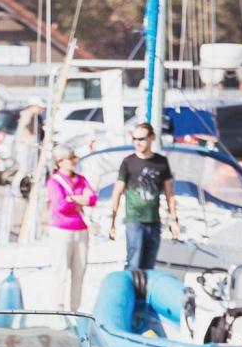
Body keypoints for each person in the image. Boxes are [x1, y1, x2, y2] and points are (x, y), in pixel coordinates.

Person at [108, 122, 179, 271]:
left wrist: (174, 219)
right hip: (134, 220)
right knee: (134, 263)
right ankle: (131, 292)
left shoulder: (161, 162)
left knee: (149, 266)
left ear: (152, 138)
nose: (137, 142)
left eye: (141, 138)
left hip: (154, 221)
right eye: (134, 139)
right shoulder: (128, 162)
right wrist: (112, 222)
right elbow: (117, 192)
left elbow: (169, 193)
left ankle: (144, 293)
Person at [46, 145, 97, 311]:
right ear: (60, 162)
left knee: (79, 271)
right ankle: (58, 307)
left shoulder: (81, 180)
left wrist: (72, 199)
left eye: (74, 157)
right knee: (60, 270)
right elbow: (60, 205)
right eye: (70, 158)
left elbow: (92, 199)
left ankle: (75, 308)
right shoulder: (54, 181)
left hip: (81, 229)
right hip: (62, 230)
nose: (74, 161)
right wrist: (79, 199)